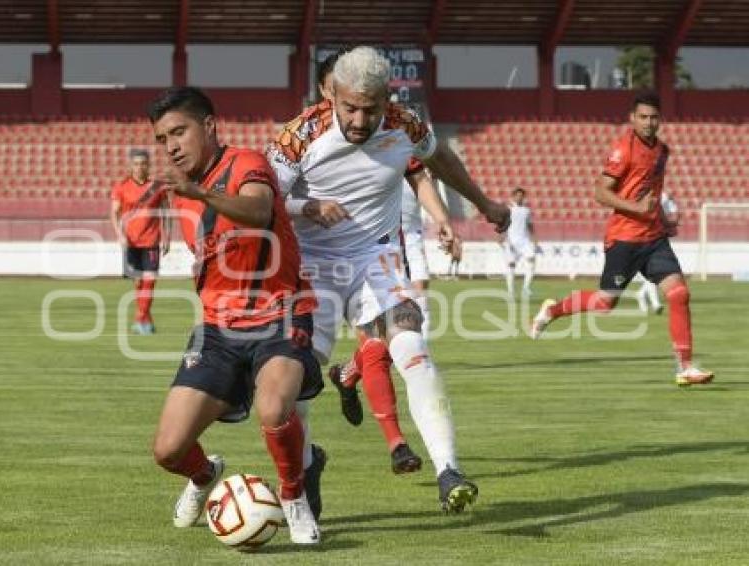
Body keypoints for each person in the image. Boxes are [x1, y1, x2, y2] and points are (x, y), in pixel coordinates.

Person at [267, 46, 510, 512]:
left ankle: (448, 468)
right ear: (330, 93)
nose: (360, 120)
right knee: (297, 377)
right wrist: (308, 207)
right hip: (311, 261)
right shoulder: (298, 137)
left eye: (371, 108)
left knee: (411, 344)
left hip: (374, 255)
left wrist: (484, 205)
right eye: (350, 107)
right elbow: (264, 201)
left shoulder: (406, 124)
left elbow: (440, 164)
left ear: (387, 98)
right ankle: (304, 466)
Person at [148, 87, 323, 544]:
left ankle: (292, 495)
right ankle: (206, 476)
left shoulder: (246, 163)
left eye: (179, 132)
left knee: (272, 409)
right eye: (162, 138)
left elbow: (259, 210)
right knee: (168, 450)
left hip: (279, 315)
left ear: (208, 126)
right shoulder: (182, 195)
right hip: (217, 329)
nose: (171, 146)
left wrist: (201, 193)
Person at [530, 92, 714, 387]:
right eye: (643, 117)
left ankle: (685, 366)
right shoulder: (623, 150)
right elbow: (600, 192)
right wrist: (636, 208)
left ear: (660, 120)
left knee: (679, 294)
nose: (649, 122)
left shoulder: (662, 151)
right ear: (632, 118)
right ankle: (553, 310)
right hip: (624, 239)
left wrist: (664, 221)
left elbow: (651, 194)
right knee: (605, 303)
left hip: (654, 238)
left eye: (654, 117)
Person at [110, 148, 171, 335]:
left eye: (143, 163)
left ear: (148, 165)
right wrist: (119, 234)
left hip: (152, 241)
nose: (139, 167)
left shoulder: (157, 187)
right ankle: (146, 320)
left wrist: (167, 236)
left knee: (150, 281)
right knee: (138, 283)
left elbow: (166, 213)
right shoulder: (121, 187)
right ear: (131, 165)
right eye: (136, 164)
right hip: (131, 242)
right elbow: (114, 213)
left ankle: (139, 318)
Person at [635, 190, 679, 314]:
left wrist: (672, 225)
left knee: (654, 273)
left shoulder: (666, 198)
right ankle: (654, 303)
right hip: (640, 236)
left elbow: (674, 213)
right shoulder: (648, 195)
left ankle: (646, 297)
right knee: (652, 273)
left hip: (656, 237)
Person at [500, 187, 537, 299]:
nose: (520, 197)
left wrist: (534, 238)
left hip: (524, 241)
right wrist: (501, 237)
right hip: (511, 241)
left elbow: (530, 225)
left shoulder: (527, 211)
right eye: (518, 195)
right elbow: (502, 224)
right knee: (511, 265)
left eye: (522, 195)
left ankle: (526, 288)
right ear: (513, 196)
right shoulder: (508, 209)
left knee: (531, 259)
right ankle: (511, 292)